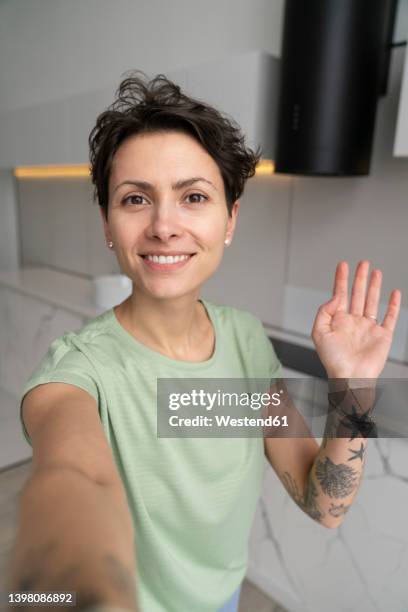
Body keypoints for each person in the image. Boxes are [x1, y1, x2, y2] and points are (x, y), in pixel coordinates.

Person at [7, 71, 401, 612]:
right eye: (134, 199)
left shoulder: (243, 340)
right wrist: (72, 584)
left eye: (193, 196)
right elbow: (73, 479)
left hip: (223, 599)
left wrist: (352, 388)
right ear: (106, 224)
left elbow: (323, 503)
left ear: (230, 219)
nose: (165, 226)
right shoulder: (77, 373)